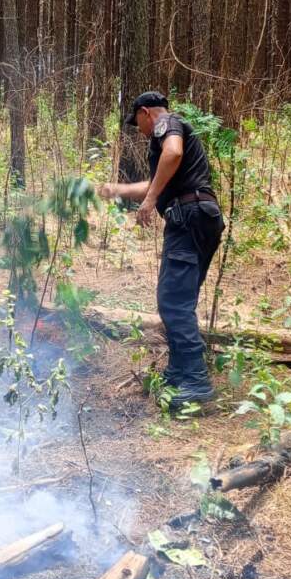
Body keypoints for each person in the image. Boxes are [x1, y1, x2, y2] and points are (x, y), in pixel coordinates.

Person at [99, 91, 225, 410]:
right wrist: (117, 190)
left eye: (137, 122)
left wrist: (151, 199)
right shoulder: (169, 134)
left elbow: (173, 153)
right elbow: (160, 178)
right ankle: (180, 373)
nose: (139, 130)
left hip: (188, 218)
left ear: (145, 112)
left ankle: (195, 381)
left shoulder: (166, 123)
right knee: (180, 299)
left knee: (173, 302)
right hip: (201, 216)